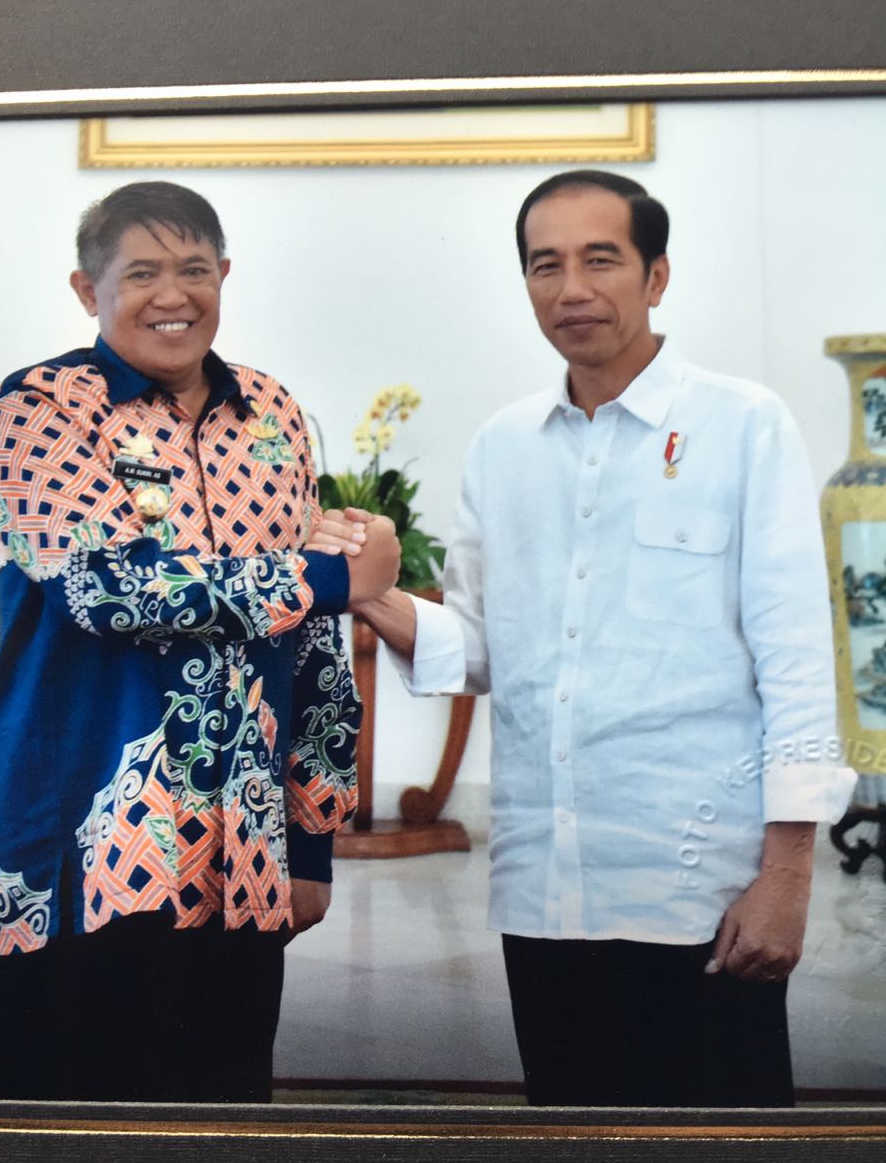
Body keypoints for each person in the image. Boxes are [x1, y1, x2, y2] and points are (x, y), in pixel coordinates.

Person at [347, 170, 855, 1106]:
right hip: (546, 890)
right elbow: (486, 646)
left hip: (702, 889)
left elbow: (794, 656)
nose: (571, 288)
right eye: (546, 265)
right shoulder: (504, 446)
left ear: (656, 276)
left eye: (600, 260)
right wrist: (370, 597)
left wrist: (786, 875)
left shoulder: (743, 425)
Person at [0, 180, 399, 1103]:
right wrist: (331, 577)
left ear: (225, 276)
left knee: (224, 1136)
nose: (174, 295)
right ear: (89, 291)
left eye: (195, 270)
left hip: (243, 853)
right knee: (58, 1150)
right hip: (79, 851)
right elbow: (107, 588)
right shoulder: (39, 410)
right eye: (142, 273)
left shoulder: (275, 415)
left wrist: (313, 842)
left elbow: (315, 647)